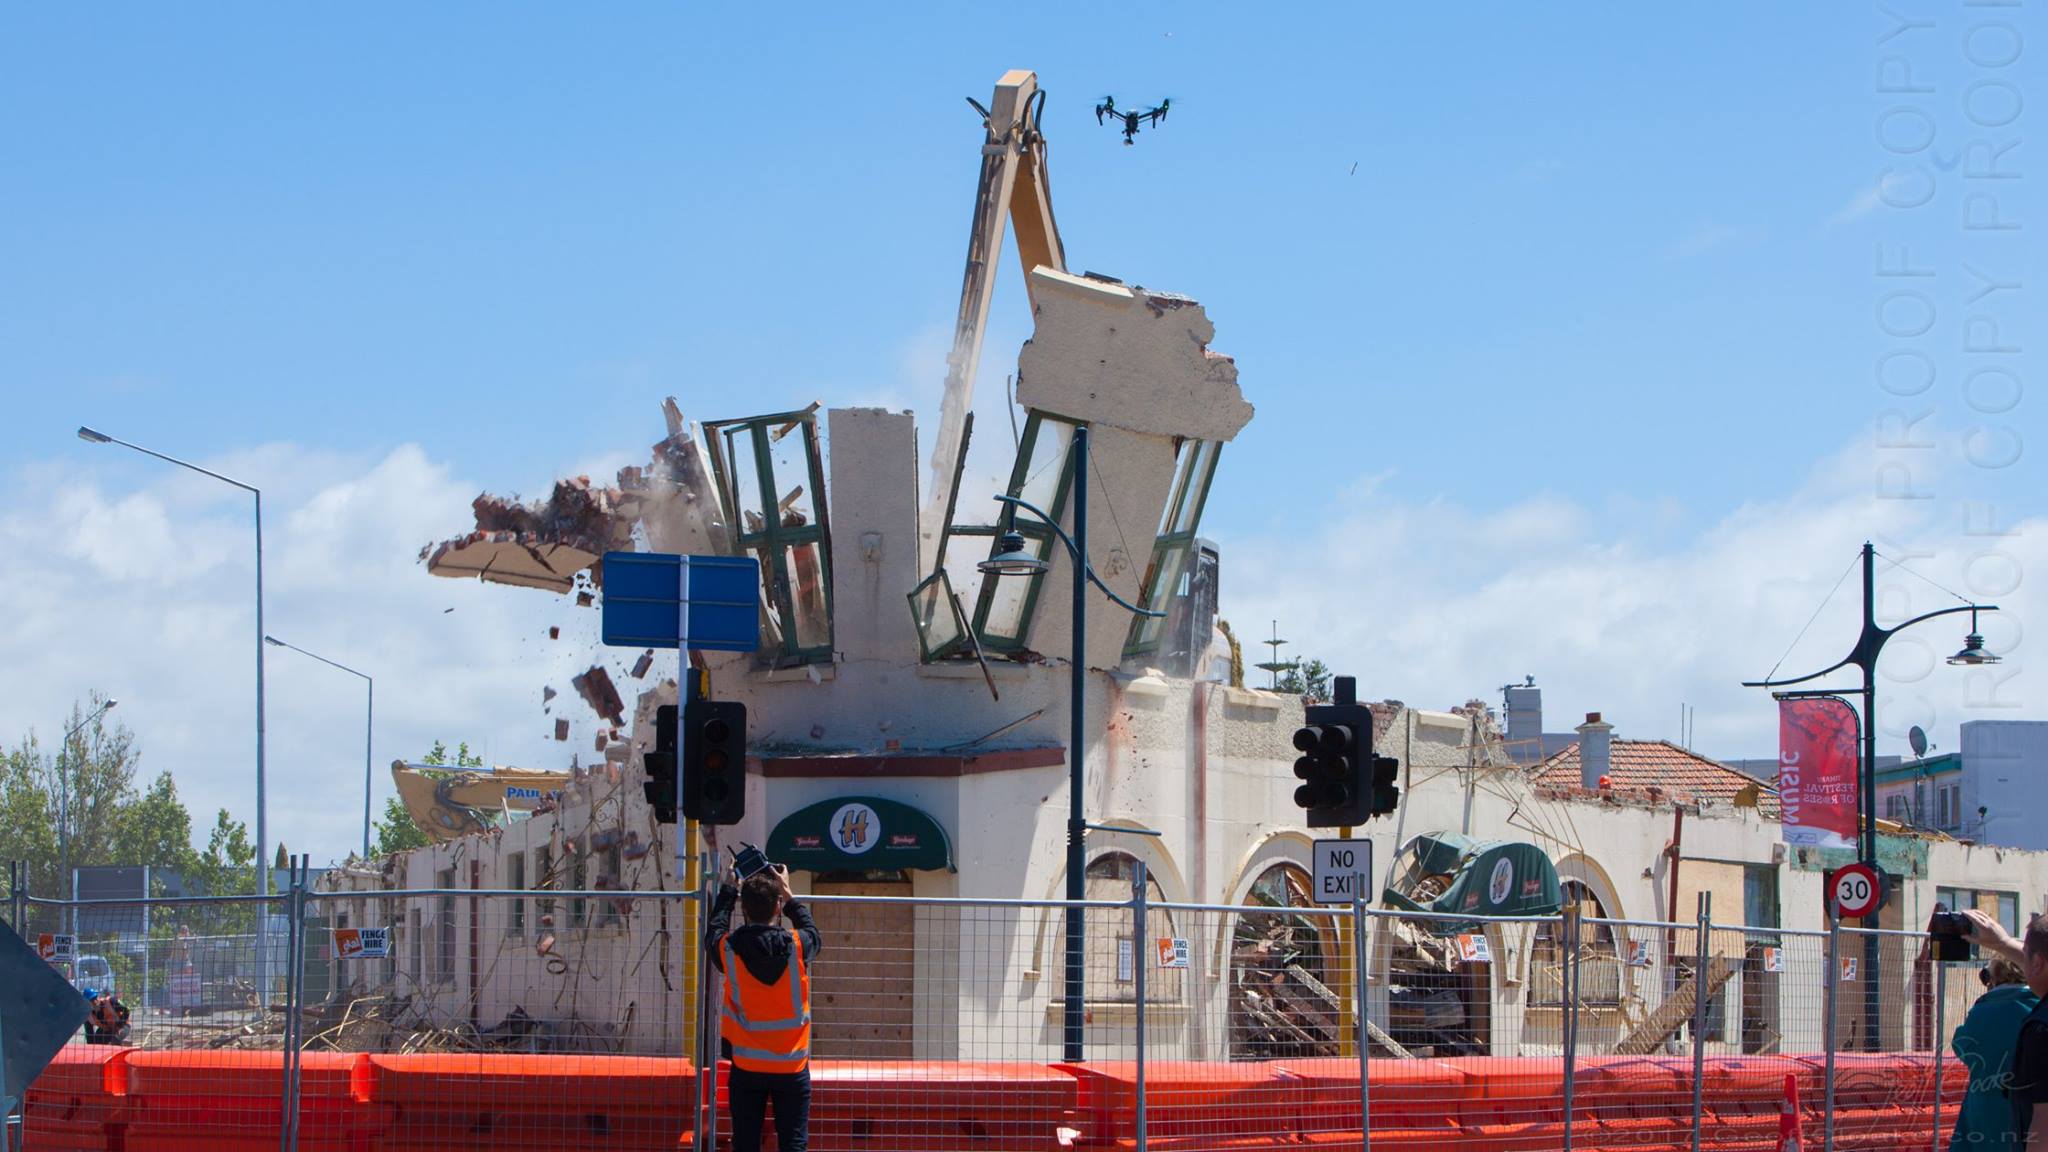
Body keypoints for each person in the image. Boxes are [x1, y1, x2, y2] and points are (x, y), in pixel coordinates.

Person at [705, 862, 821, 1152]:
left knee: (745, 1143)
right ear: (778, 908)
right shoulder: (797, 945)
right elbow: (813, 933)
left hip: (748, 1065)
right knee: (793, 1144)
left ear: (744, 910)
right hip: (791, 1063)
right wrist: (788, 891)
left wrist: (729, 891)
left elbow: (714, 931)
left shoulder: (729, 949)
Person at [1969, 913, 2048, 1148]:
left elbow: (2044, 1125)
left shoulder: (2041, 1029)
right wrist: (2001, 943)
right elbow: (2039, 963)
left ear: (2038, 962)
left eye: (2026, 955)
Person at [1950, 956, 2038, 1149]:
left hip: (1984, 1101)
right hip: (2031, 1104)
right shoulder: (2038, 1006)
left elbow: (1961, 1044)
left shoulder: (1982, 1008)